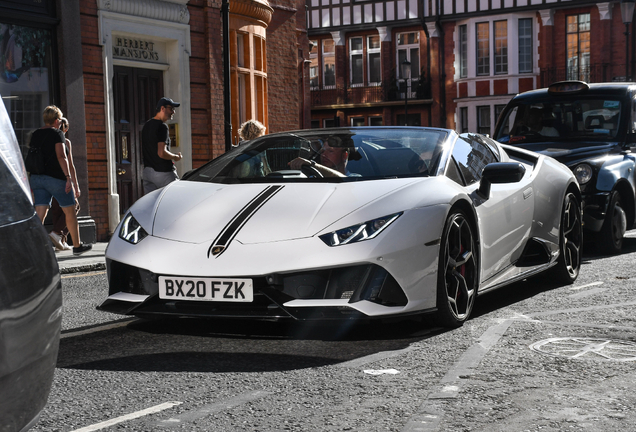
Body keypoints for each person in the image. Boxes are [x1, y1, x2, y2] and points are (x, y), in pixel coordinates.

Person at [29, 106, 92, 255]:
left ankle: (33, 247)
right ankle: (77, 246)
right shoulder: (58, 134)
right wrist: (68, 178)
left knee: (40, 212)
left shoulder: (35, 134)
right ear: (57, 120)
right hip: (55, 179)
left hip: (37, 178)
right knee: (70, 211)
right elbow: (61, 156)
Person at [48, 117, 80, 251]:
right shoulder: (65, 142)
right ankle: (57, 233)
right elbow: (71, 165)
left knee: (57, 210)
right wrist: (75, 184)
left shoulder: (48, 141)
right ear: (65, 129)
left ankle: (61, 241)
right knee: (74, 207)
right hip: (62, 180)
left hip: (49, 179)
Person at [142, 97, 182, 194]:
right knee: (175, 200)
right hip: (163, 173)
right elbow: (161, 153)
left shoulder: (146, 125)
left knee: (151, 204)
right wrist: (175, 157)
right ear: (162, 108)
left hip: (147, 173)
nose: (173, 112)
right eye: (171, 108)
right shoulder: (162, 126)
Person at [288, 136, 353, 177]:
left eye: (330, 151)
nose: (323, 155)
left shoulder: (355, 179)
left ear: (344, 155)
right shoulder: (313, 178)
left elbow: (341, 178)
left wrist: (312, 164)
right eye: (322, 151)